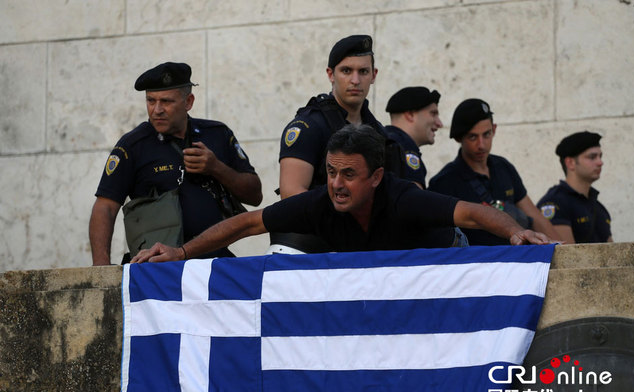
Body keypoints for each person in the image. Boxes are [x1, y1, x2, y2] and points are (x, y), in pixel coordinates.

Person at [131, 124, 553, 264]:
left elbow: (474, 215)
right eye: (331, 172)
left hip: (439, 260)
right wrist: (182, 253)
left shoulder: (405, 197)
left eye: (349, 174)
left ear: (377, 177)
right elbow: (246, 223)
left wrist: (516, 231)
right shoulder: (321, 202)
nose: (336, 183)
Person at [89, 62, 262, 265]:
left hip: (213, 263)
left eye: (166, 101)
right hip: (156, 266)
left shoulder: (217, 135)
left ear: (188, 102)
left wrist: (216, 168)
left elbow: (254, 195)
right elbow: (105, 208)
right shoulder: (133, 145)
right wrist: (101, 270)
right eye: (150, 101)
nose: (157, 110)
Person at [270, 34, 387, 254]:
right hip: (308, 250)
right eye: (346, 71)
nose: (355, 80)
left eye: (363, 71)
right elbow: (292, 194)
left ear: (374, 75)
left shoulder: (378, 132)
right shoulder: (308, 126)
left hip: (360, 250)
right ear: (330, 74)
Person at [428, 98, 560, 246]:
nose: (481, 145)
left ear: (494, 129)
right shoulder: (444, 182)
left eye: (487, 134)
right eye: (473, 137)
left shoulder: (503, 167)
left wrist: (565, 250)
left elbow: (534, 216)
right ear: (459, 138)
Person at [537, 131, 612, 243]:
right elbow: (568, 256)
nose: (600, 162)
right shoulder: (554, 203)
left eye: (600, 156)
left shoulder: (598, 207)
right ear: (570, 163)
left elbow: (612, 251)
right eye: (592, 157)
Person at [384, 86, 443, 188]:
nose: (440, 123)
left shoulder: (382, 139)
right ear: (410, 114)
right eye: (433, 114)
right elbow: (414, 200)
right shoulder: (405, 148)